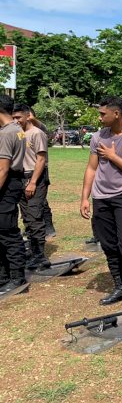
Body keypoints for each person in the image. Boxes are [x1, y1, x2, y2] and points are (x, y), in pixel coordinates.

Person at [80, 96, 122, 305]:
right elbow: (91, 168)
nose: (100, 118)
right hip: (101, 197)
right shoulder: (98, 137)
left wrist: (112, 155)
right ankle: (119, 286)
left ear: (116, 113)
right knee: (109, 245)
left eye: (103, 114)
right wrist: (85, 197)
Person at [12, 104, 50, 269]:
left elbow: (41, 159)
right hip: (20, 177)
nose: (16, 120)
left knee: (34, 216)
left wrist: (33, 182)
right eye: (13, 117)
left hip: (35, 177)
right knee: (26, 217)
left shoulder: (37, 133)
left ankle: (41, 256)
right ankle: (33, 252)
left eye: (18, 117)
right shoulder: (18, 133)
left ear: (28, 116)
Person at [0, 95, 27, 295]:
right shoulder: (16, 129)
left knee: (8, 232)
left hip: (8, 184)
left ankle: (17, 277)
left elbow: (2, 169)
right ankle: (4, 275)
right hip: (13, 181)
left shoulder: (7, 133)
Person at [27, 108, 56, 239]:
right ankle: (31, 228)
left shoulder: (39, 129)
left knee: (41, 201)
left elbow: (39, 124)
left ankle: (48, 227)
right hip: (25, 171)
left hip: (40, 170)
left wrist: (31, 118)